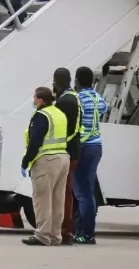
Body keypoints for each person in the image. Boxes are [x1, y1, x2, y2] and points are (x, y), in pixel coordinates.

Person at [21, 87, 70, 246]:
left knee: (42, 200)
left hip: (46, 160)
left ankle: (42, 235)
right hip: (63, 158)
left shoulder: (41, 115)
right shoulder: (59, 113)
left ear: (40, 100)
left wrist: (26, 161)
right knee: (57, 200)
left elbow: (35, 141)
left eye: (34, 97)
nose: (33, 100)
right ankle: (55, 236)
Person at [71, 66, 107, 245]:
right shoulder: (98, 98)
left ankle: (87, 234)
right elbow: (104, 109)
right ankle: (80, 231)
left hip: (83, 147)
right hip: (96, 147)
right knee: (88, 191)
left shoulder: (78, 99)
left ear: (76, 80)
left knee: (83, 194)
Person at [52, 67, 83, 246]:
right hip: (73, 150)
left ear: (56, 82)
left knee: (63, 193)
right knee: (65, 192)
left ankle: (64, 231)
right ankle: (64, 230)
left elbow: (65, 129)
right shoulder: (73, 97)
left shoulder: (66, 102)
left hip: (66, 151)